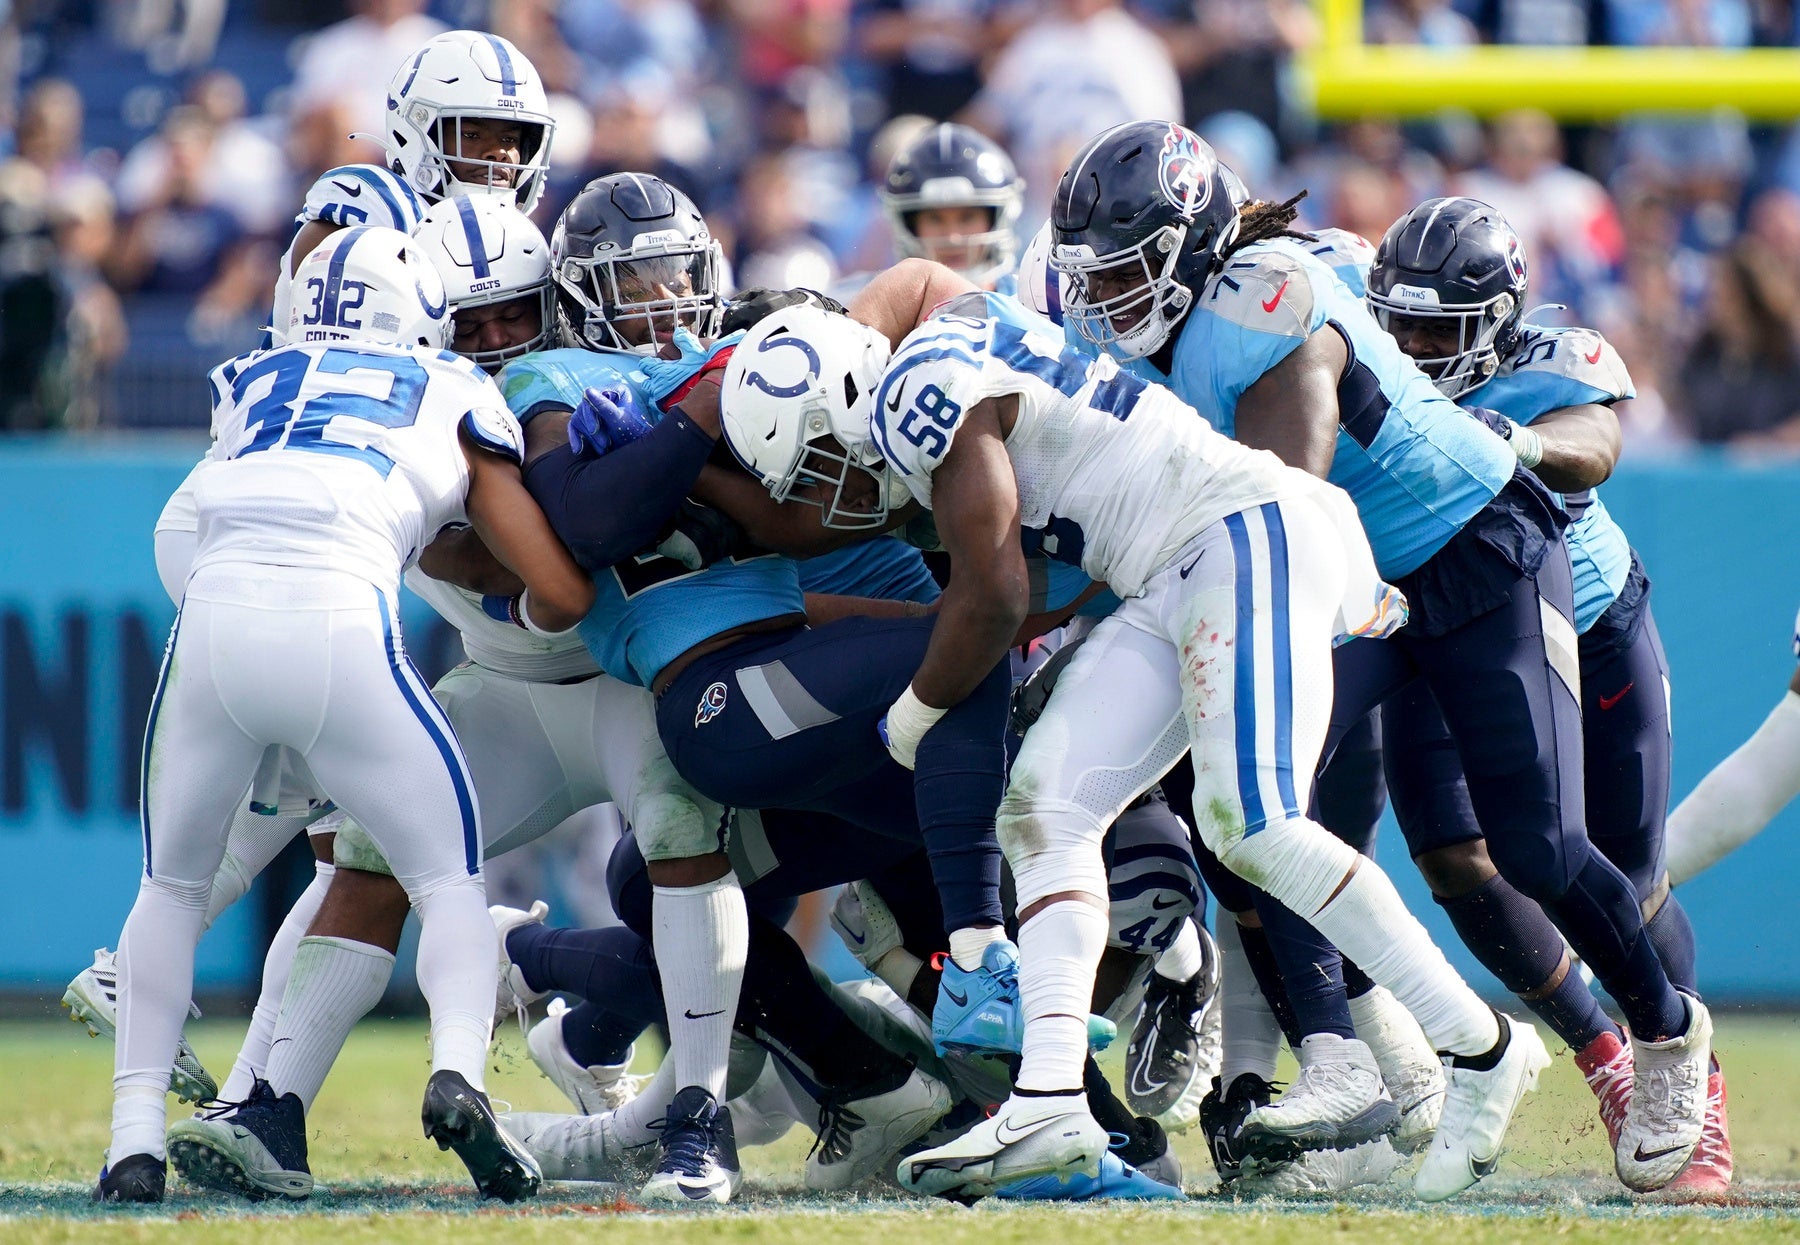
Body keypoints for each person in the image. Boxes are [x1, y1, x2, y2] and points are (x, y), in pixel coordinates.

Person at [715, 289, 1545, 1204]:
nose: (832, 480)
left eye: (821, 454)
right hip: (1171, 568)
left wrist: (912, 712)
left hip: (1245, 533)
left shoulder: (916, 391)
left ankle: (1483, 1047)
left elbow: (990, 598)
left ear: (841, 396)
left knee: (1254, 824)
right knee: (1043, 807)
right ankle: (1051, 1104)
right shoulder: (939, 341)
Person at [1046, 121, 1713, 1194]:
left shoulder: (1261, 298)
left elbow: (1287, 500)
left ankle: (1668, 1036)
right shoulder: (1183, 324)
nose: (1107, 298)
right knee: (1248, 799)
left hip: (1470, 551)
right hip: (1366, 584)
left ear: (1191, 242)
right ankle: (1345, 1056)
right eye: (1094, 273)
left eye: (1126, 270)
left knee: (1536, 850)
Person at [62, 26, 559, 1121]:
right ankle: (176, 1006)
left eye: (509, 139)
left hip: (345, 514)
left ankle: (238, 1086)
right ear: (418, 134)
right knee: (329, 804)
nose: (490, 159)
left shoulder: (507, 236)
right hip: (273, 510)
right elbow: (323, 313)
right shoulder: (368, 209)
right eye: (469, 134)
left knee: (338, 824)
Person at [94, 225, 593, 1205]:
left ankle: (131, 1141)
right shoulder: (454, 388)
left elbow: (184, 529)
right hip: (341, 624)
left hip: (212, 626)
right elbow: (558, 590)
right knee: (446, 879)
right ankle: (460, 1074)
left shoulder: (251, 379)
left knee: (170, 890)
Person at [1366, 195, 1729, 1197]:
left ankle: (1687, 1076)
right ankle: (1605, 1057)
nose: (1409, 345)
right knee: (1448, 850)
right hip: (1438, 622)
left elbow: (1594, 443)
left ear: (1494, 322)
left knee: (1620, 870)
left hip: (1590, 621)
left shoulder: (1550, 362)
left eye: (1435, 329)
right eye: (1396, 323)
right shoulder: (1361, 359)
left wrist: (1503, 443)